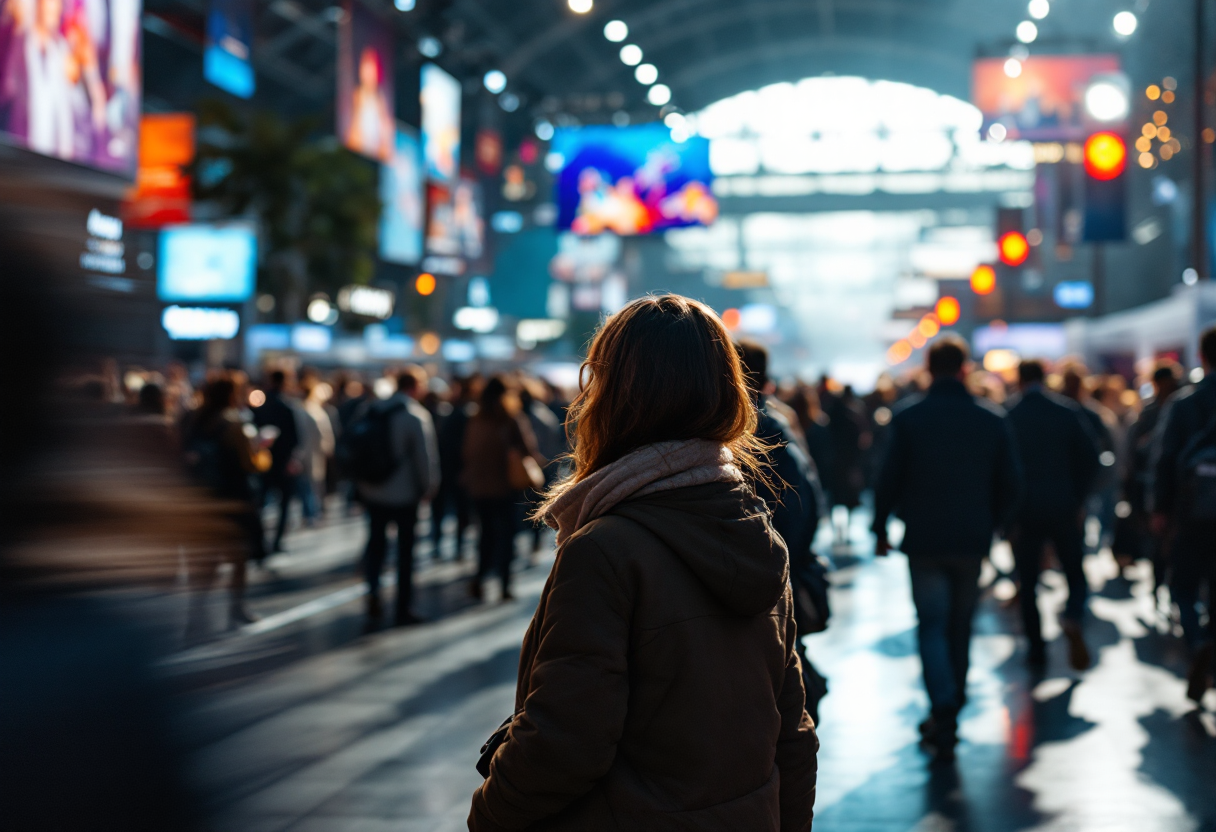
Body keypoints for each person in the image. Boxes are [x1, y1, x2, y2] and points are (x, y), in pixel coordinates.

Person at [468, 295, 817, 831]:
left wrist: (489, 814)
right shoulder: (755, 533)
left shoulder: (604, 550)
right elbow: (792, 734)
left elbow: (565, 742)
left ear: (611, 396)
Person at [872, 336, 1022, 762]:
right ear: (964, 369)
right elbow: (1012, 482)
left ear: (927, 368)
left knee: (931, 625)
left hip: (923, 539)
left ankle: (943, 705)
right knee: (961, 626)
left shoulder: (907, 418)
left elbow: (888, 478)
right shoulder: (991, 419)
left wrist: (881, 526)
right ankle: (951, 701)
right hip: (972, 539)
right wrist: (994, 523)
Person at [737, 340, 830, 726]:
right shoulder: (776, 422)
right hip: (769, 572)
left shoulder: (755, 426)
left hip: (759, 576)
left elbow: (798, 504)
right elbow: (806, 500)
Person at [1006, 360, 1101, 671]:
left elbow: (999, 468)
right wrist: (1079, 498)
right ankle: (1072, 616)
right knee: (1074, 571)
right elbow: (1091, 458)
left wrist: (1005, 513)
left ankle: (1036, 648)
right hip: (1063, 505)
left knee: (1029, 580)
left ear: (1019, 381)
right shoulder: (1065, 412)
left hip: (1024, 509)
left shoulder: (1009, 415)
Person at [1152, 327, 1216, 703]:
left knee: (1184, 586)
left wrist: (1159, 509)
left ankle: (1197, 644)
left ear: (1202, 357)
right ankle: (1211, 645)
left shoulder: (1184, 404)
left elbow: (1165, 459)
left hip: (1191, 512)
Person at [354, 368, 439, 630]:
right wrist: (429, 488)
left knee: (376, 545)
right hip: (404, 494)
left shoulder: (373, 409)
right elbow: (425, 458)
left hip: (374, 490)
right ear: (416, 387)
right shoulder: (415, 414)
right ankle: (403, 607)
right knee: (404, 552)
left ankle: (373, 593)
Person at [181, 377, 268, 635]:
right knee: (238, 557)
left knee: (206, 561)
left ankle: (196, 614)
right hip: (232, 497)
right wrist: (261, 450)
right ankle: (236, 608)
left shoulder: (191, 419)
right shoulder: (233, 423)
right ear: (231, 395)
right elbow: (250, 464)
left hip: (200, 496)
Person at [463, 376, 540, 601]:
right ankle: (505, 585)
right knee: (507, 537)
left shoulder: (476, 419)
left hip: (479, 488)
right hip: (506, 487)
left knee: (485, 535)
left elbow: (467, 453)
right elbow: (528, 449)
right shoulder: (511, 419)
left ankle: (479, 578)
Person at [1123, 361, 1182, 588]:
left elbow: (1134, 452)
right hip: (1165, 486)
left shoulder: (1179, 406)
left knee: (1163, 543)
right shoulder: (1153, 410)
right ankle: (1163, 586)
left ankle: (1164, 587)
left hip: (1162, 486)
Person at [252, 370, 302, 554]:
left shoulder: (260, 406)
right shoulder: (287, 407)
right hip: (282, 463)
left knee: (260, 504)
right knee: (284, 505)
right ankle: (277, 541)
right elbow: (295, 438)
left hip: (262, 462)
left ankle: (260, 541)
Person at [432, 376, 476, 559]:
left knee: (443, 510)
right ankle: (457, 546)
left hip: (447, 468)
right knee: (460, 511)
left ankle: (439, 543)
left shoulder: (450, 414)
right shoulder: (468, 414)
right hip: (459, 469)